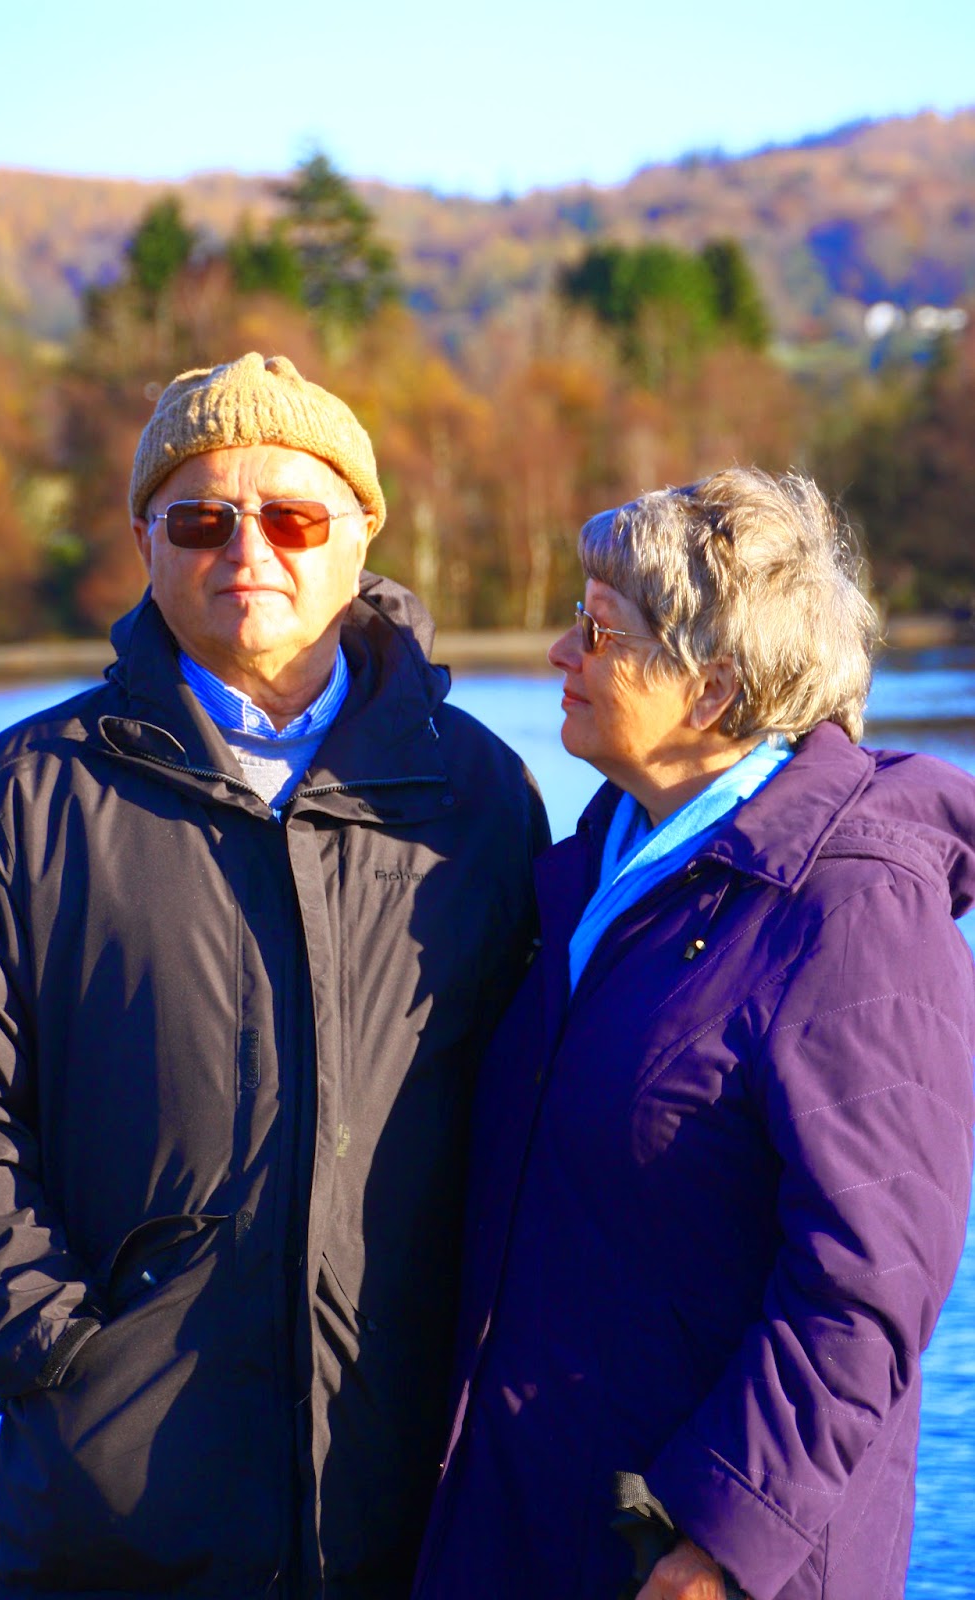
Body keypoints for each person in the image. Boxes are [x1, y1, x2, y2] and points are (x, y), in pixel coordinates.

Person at [0, 352, 549, 1599]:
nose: (247, 548)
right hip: (110, 1520)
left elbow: (542, 1108)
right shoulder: (17, 796)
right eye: (200, 519)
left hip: (416, 1505)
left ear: (360, 532)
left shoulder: (476, 795)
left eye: (294, 517)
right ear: (145, 541)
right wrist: (62, 1356)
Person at [413, 468, 975, 1600]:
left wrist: (720, 1545)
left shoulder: (854, 909)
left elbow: (864, 1285)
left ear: (712, 689)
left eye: (598, 631)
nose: (560, 654)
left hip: (695, 1563)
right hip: (534, 1522)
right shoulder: (603, 867)